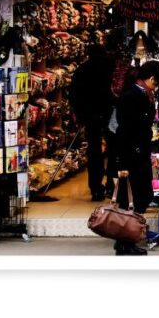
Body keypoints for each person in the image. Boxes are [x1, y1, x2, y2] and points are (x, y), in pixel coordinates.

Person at [112, 59, 159, 256]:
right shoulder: (132, 96)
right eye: (157, 82)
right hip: (131, 155)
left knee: (140, 197)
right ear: (151, 78)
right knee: (131, 200)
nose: (157, 86)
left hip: (140, 153)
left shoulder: (143, 94)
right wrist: (123, 163)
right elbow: (124, 130)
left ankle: (125, 240)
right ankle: (125, 242)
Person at [68, 44, 115, 201]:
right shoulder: (109, 67)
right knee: (113, 149)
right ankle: (111, 183)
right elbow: (113, 91)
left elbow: (73, 95)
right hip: (108, 113)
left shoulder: (82, 70)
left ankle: (96, 187)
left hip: (91, 115)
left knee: (94, 151)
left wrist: (81, 115)